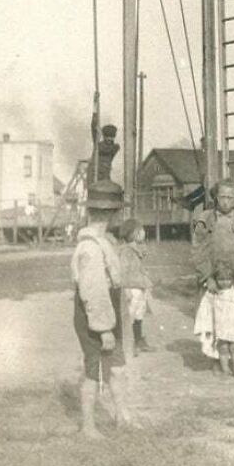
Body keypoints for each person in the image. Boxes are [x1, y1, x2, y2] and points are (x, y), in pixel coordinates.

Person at [71, 180, 131, 440]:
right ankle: (88, 426)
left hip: (108, 309)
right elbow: (93, 291)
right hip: (95, 314)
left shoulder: (103, 241)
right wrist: (104, 328)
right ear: (109, 213)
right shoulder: (90, 248)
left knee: (115, 366)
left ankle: (122, 415)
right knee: (94, 370)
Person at [191, 179, 234, 301]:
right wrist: (207, 277)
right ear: (216, 197)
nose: (226, 202)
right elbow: (198, 250)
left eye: (230, 198)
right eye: (222, 197)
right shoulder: (206, 218)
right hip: (211, 279)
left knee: (232, 313)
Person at [194, 260, 234, 378]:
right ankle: (225, 370)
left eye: (227, 279)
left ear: (233, 279)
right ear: (215, 279)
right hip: (221, 328)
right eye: (221, 279)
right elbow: (205, 306)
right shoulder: (214, 293)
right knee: (223, 348)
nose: (224, 283)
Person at [119, 219, 155, 356]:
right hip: (131, 287)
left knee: (139, 314)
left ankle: (139, 340)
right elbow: (123, 271)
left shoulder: (137, 249)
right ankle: (129, 344)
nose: (144, 233)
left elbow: (143, 256)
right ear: (133, 234)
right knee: (130, 316)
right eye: (140, 231)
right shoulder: (126, 251)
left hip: (140, 286)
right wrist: (125, 288)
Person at [88, 93, 120, 184]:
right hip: (94, 177)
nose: (110, 140)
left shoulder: (113, 148)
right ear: (105, 137)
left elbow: (107, 149)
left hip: (105, 178)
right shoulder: (99, 145)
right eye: (108, 137)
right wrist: (95, 105)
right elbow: (93, 125)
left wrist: (98, 134)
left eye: (112, 138)